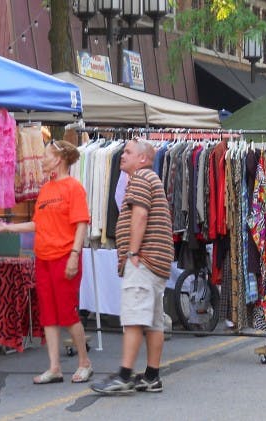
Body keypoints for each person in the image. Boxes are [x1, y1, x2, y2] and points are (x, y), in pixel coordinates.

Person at [0, 139, 93, 385]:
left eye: (46, 155)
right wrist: (7, 228)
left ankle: (84, 362)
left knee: (67, 313)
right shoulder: (45, 189)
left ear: (58, 159)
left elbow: (81, 223)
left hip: (64, 257)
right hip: (43, 258)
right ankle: (54, 367)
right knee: (48, 315)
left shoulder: (74, 187)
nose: (42, 159)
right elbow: (37, 224)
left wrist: (74, 255)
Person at [92, 140, 174, 395]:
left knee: (134, 318)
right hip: (157, 262)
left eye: (128, 152)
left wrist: (133, 252)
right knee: (153, 321)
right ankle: (151, 376)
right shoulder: (151, 178)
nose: (122, 156)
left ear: (143, 159)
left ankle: (124, 376)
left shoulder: (140, 178)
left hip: (144, 261)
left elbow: (140, 215)